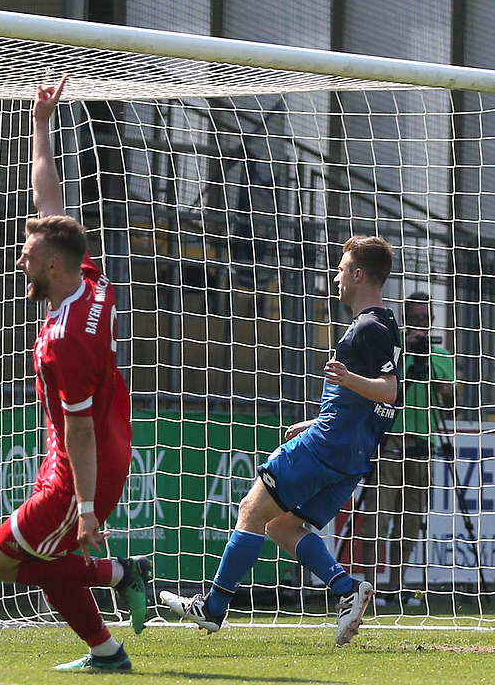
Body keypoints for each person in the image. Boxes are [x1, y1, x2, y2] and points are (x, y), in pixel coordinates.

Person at [0, 76, 150, 673]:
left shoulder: (64, 340)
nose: (17, 257)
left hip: (84, 465)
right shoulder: (89, 282)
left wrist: (84, 506)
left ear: (50, 265)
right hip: (97, 445)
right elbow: (51, 209)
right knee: (34, 558)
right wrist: (42, 127)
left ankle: (118, 577)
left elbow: (76, 430)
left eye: (25, 254)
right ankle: (106, 650)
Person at [159, 235, 400, 646]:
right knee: (281, 526)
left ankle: (213, 607)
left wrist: (346, 382)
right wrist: (316, 420)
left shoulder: (368, 327)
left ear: (359, 274)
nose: (337, 276)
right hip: (348, 454)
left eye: (342, 269)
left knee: (251, 508)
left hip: (328, 449)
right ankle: (346, 590)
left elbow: (388, 392)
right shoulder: (386, 323)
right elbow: (364, 404)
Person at [360, 291, 454, 609]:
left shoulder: (440, 356)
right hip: (391, 443)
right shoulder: (394, 353)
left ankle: (396, 587)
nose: (420, 328)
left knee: (410, 521)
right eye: (414, 321)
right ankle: (368, 589)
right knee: (377, 517)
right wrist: (408, 355)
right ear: (404, 323)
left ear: (433, 323)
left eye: (425, 321)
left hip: (423, 444)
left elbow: (451, 403)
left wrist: (437, 376)